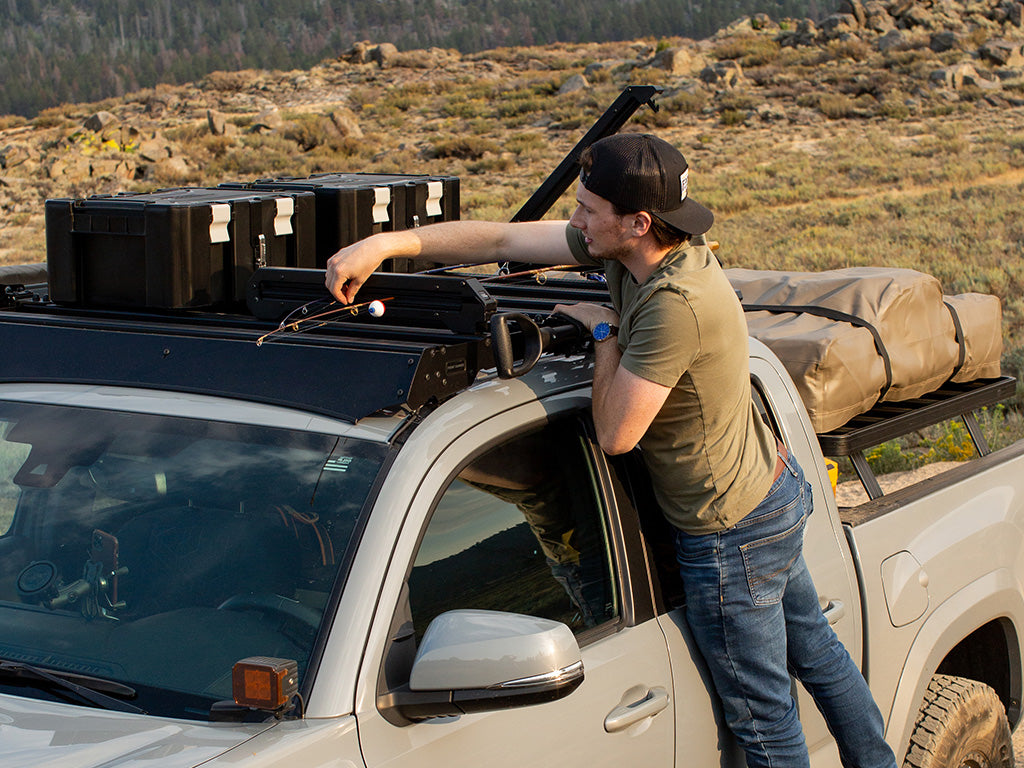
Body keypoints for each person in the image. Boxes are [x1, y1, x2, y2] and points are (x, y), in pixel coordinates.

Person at [325, 132, 897, 768]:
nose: (575, 220)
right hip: (766, 489)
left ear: (638, 222)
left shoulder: (676, 305)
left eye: (586, 209)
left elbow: (615, 435)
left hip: (726, 529)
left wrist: (602, 330)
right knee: (818, 655)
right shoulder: (643, 251)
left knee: (762, 717)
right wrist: (386, 245)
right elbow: (504, 241)